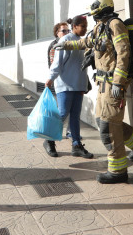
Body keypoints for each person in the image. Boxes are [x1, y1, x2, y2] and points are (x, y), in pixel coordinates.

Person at [56, 0, 133, 184]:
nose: (93, 17)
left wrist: (118, 81)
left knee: (108, 126)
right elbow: (85, 43)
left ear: (102, 10)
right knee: (103, 120)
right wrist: (65, 43)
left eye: (95, 13)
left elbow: (124, 53)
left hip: (113, 83)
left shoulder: (115, 24)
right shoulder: (100, 26)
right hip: (103, 84)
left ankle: (118, 171)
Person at [44, 17, 94, 159]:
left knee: (75, 116)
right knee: (62, 113)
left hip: (78, 85)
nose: (85, 29)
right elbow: (57, 62)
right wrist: (50, 78)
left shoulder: (84, 42)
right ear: (75, 26)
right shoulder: (65, 40)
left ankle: (76, 145)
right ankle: (49, 139)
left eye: (86, 26)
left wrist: (85, 83)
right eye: (82, 26)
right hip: (65, 85)